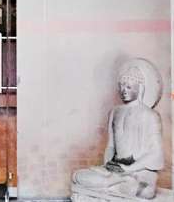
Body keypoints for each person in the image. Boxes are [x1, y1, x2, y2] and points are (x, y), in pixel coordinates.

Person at [71, 60, 165, 200]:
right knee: (77, 176)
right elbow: (111, 146)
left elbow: (157, 155)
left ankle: (118, 183)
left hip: (139, 171)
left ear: (140, 88)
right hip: (116, 170)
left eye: (129, 87)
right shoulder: (115, 112)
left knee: (145, 190)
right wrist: (108, 165)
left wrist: (129, 169)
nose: (124, 90)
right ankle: (116, 182)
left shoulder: (150, 115)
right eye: (121, 86)